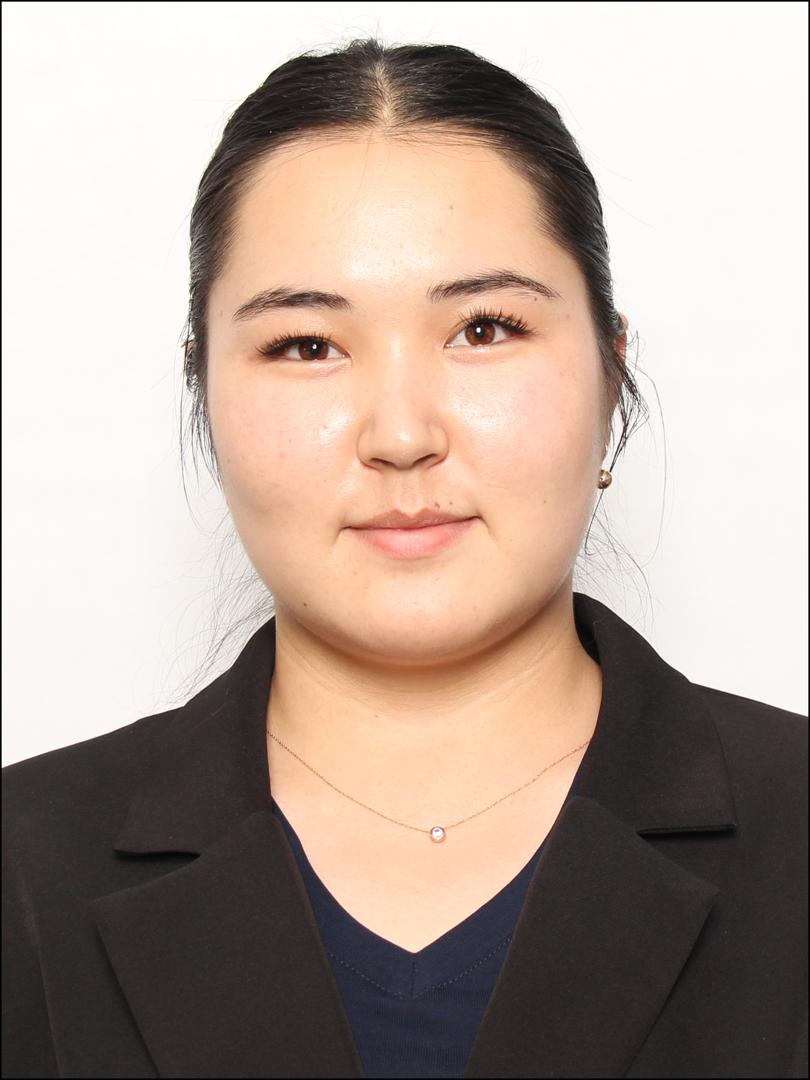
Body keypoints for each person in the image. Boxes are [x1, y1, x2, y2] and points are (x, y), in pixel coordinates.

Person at [2, 36, 807, 1080]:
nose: (400, 434)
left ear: (613, 373)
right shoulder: (25, 864)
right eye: (306, 345)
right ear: (203, 394)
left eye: (485, 328)